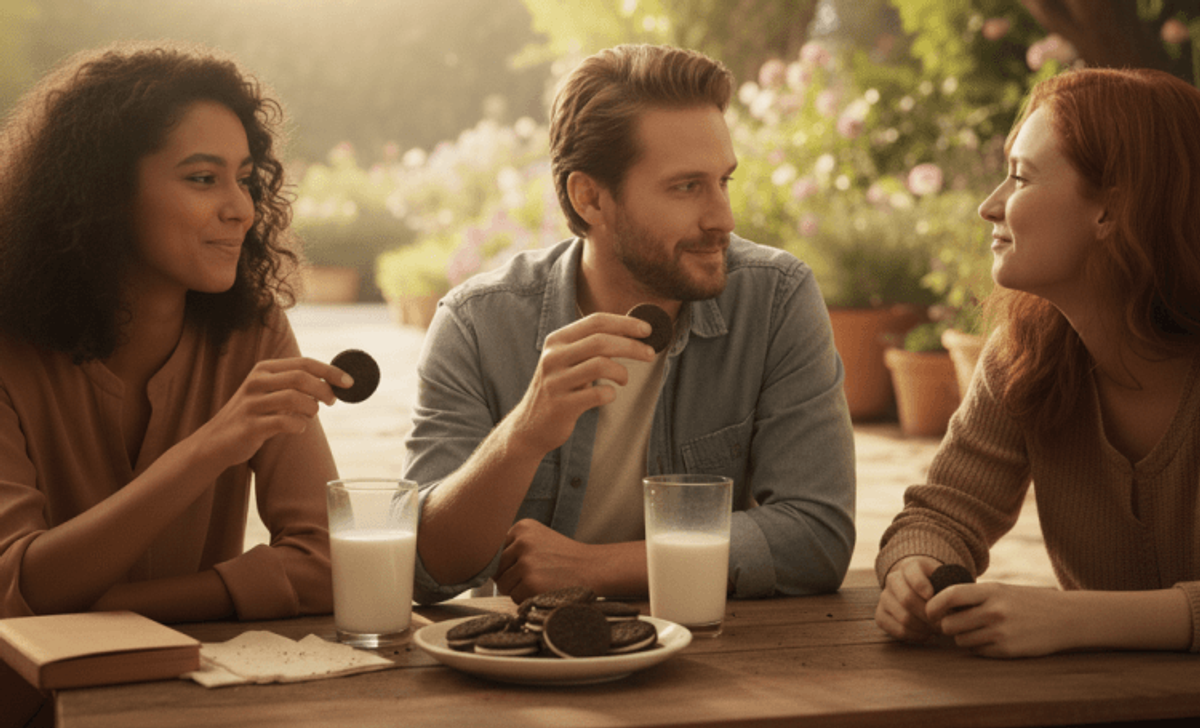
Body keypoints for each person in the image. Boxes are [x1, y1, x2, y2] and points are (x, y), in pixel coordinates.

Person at [404, 44, 856, 605]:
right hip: (524, 671)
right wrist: (523, 435)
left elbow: (818, 536)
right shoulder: (476, 324)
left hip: (713, 659)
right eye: (687, 186)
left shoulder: (775, 298)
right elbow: (427, 568)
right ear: (590, 197)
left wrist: (599, 568)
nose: (723, 218)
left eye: (724, 181)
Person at [0, 42, 348, 627]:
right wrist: (214, 445)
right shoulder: (10, 350)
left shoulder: (253, 333)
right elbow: (15, 582)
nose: (241, 208)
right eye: (204, 178)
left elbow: (329, 562)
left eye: (244, 179)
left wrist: (115, 606)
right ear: (102, 193)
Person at [874, 67, 1200, 658]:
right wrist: (915, 570)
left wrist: (1076, 620)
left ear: (1111, 213)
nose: (988, 206)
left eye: (1020, 179)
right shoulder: (1029, 352)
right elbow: (942, 514)